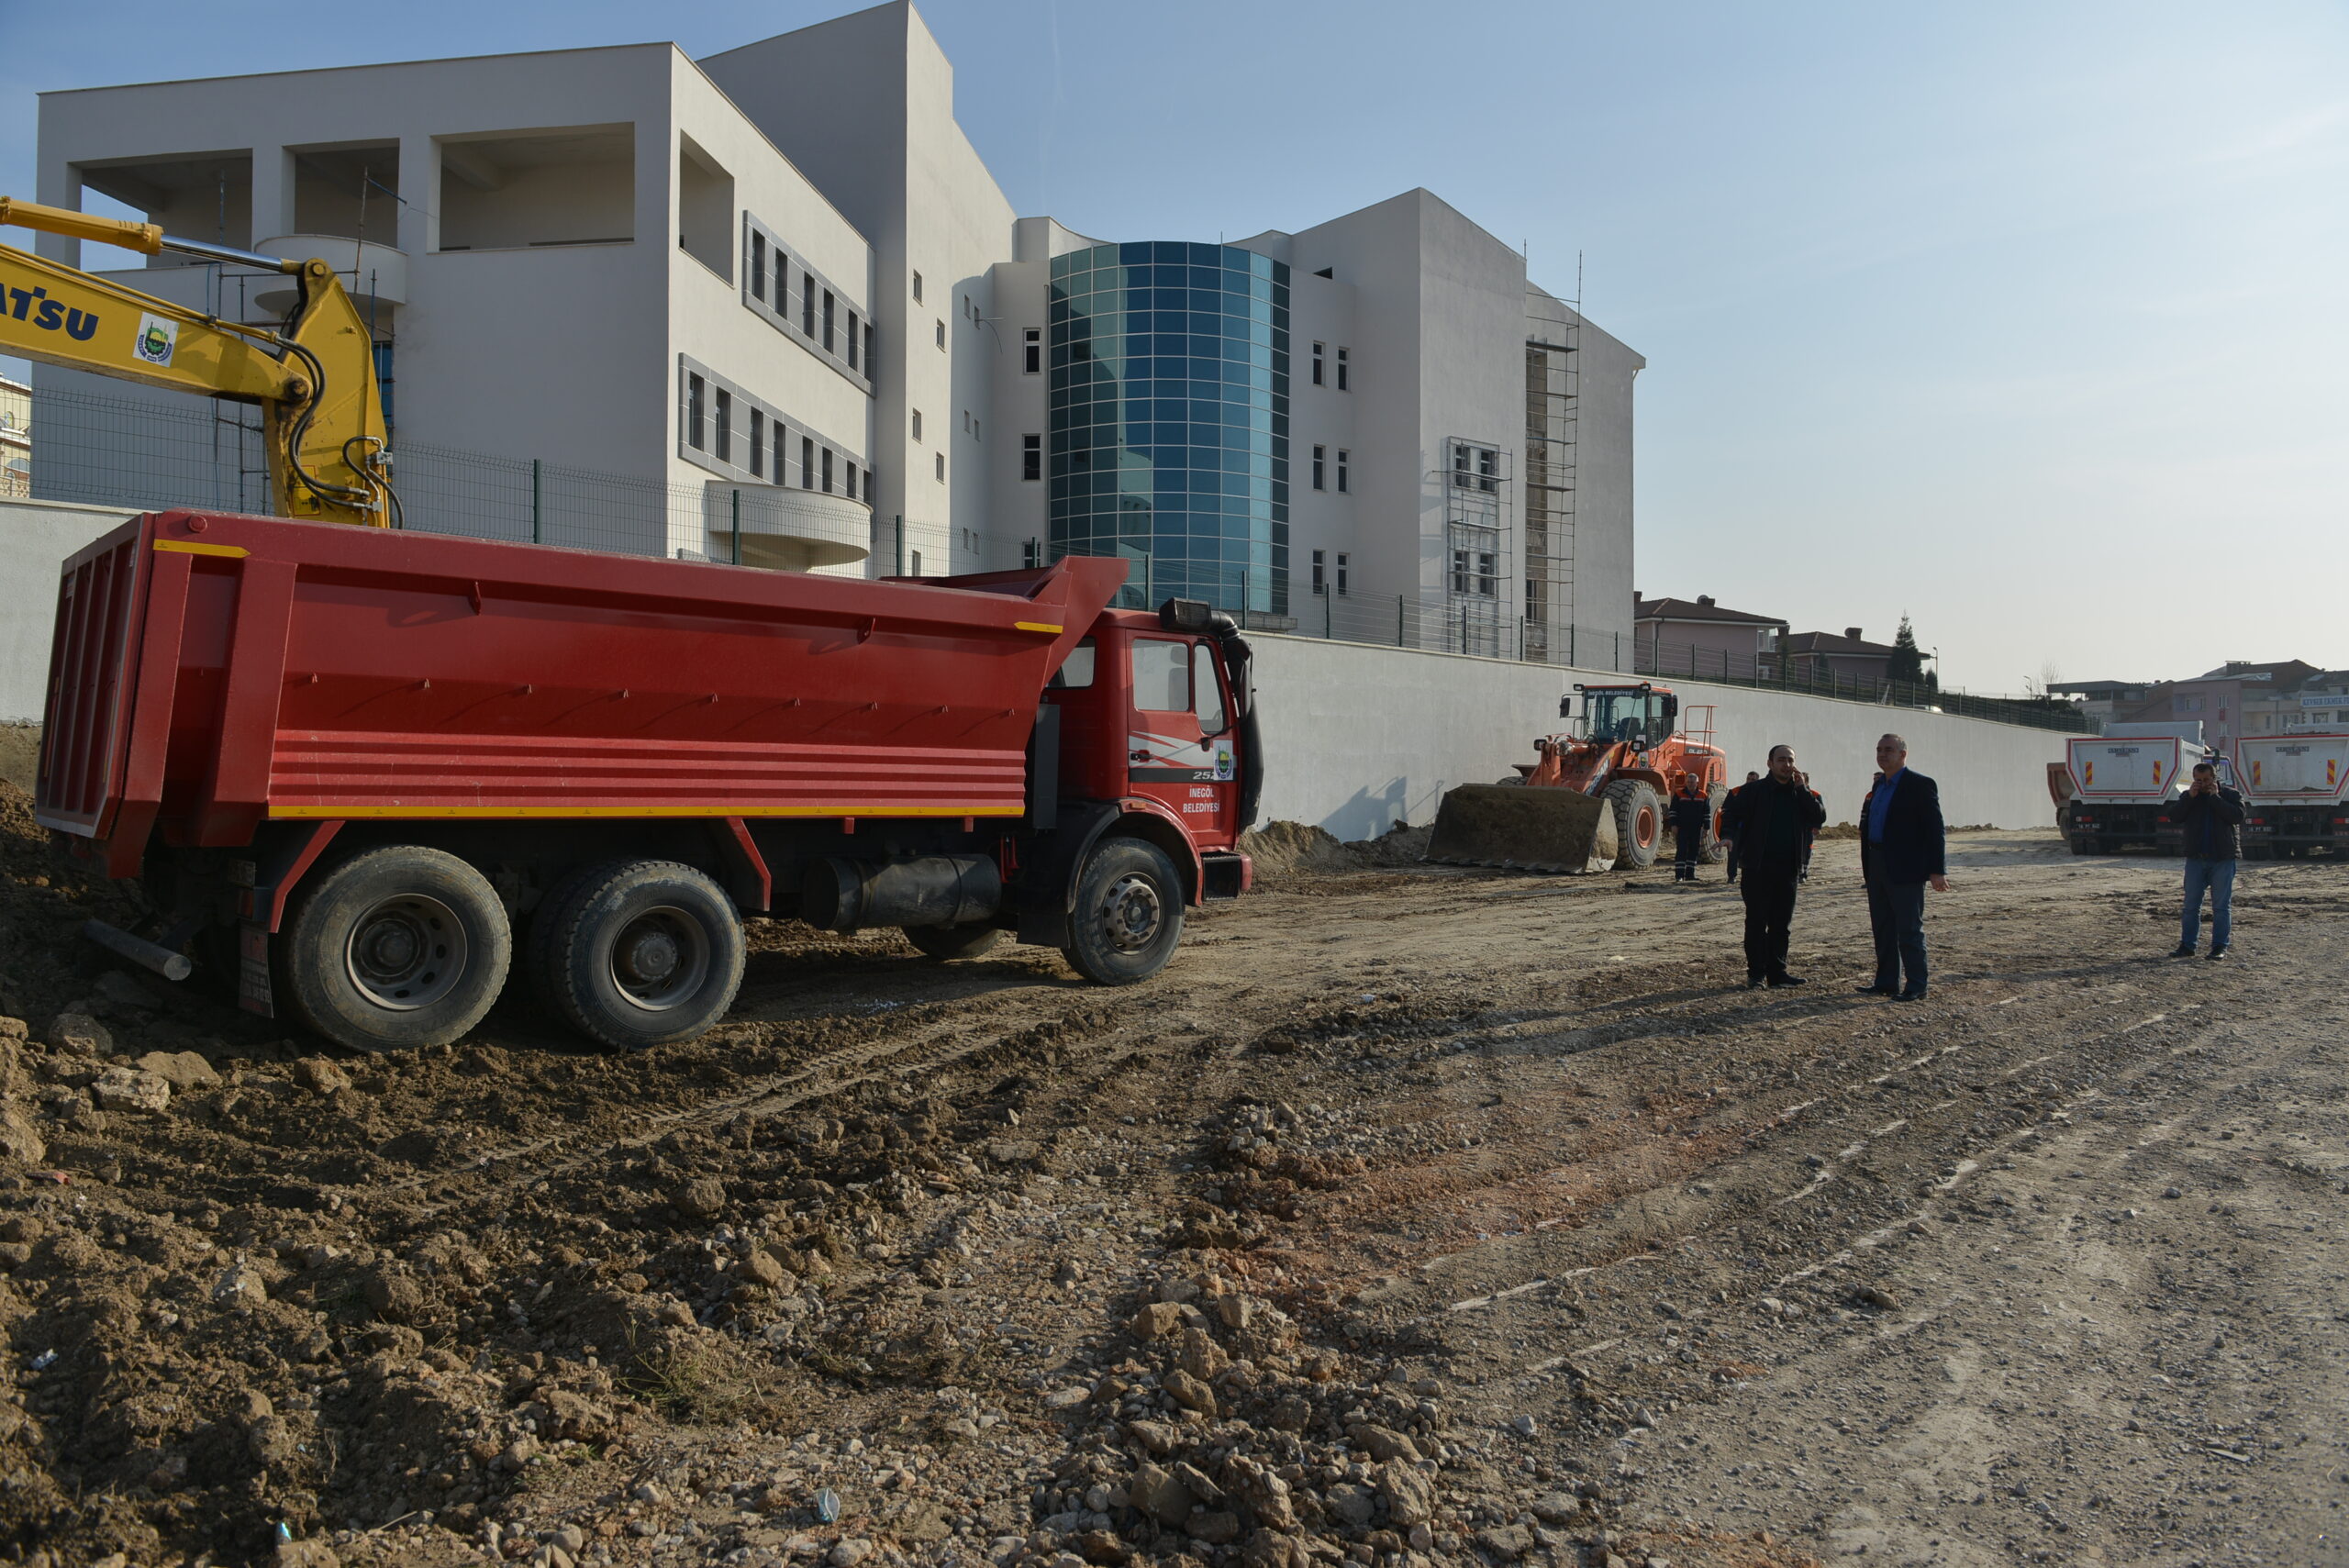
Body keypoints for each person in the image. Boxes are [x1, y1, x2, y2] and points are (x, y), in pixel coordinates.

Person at [1718, 745, 1826, 987]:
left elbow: (1818, 817)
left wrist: (1802, 789)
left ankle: (1778, 974)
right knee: (1756, 923)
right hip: (1757, 868)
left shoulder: (1801, 793)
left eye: (1790, 760)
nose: (1786, 765)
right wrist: (1728, 836)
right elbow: (1730, 813)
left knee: (1781, 925)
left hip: (1788, 869)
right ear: (1770, 763)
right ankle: (1756, 974)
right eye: (1781, 760)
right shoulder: (1753, 791)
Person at [1856, 733, 1947, 1002]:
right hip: (1876, 863)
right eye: (1879, 750)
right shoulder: (1878, 786)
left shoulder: (1920, 785)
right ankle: (1886, 982)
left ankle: (1917, 985)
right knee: (1883, 927)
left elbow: (1935, 830)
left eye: (1889, 750)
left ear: (1903, 754)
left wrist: (1937, 870)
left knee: (1909, 929)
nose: (1882, 754)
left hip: (1905, 867)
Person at [2170, 762, 2243, 960]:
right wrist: (2189, 799)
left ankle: (2219, 947)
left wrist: (2215, 798)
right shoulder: (2189, 797)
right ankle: (2187, 946)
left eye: (2206, 780)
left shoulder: (2230, 795)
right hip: (2196, 859)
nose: (2202, 784)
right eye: (2198, 780)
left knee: (2221, 907)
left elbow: (2237, 817)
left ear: (2215, 779)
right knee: (2191, 906)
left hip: (2222, 859)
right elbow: (2175, 816)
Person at [1669, 774, 1711, 883]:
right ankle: (1679, 876)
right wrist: (1673, 825)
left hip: (1696, 829)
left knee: (1694, 850)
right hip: (1682, 828)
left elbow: (1707, 813)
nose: (1690, 784)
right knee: (1681, 850)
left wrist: (1706, 828)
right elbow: (1673, 811)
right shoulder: (1679, 794)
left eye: (1692, 782)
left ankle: (1690, 875)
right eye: (1688, 782)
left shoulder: (1703, 795)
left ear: (1697, 783)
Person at [1726, 772, 1760, 884]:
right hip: (1738, 826)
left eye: (1753, 780)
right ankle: (1731, 876)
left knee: (1753, 852)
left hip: (1754, 827)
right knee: (1733, 851)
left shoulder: (1762, 793)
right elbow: (1727, 809)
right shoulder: (1735, 791)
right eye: (1748, 778)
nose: (1750, 781)